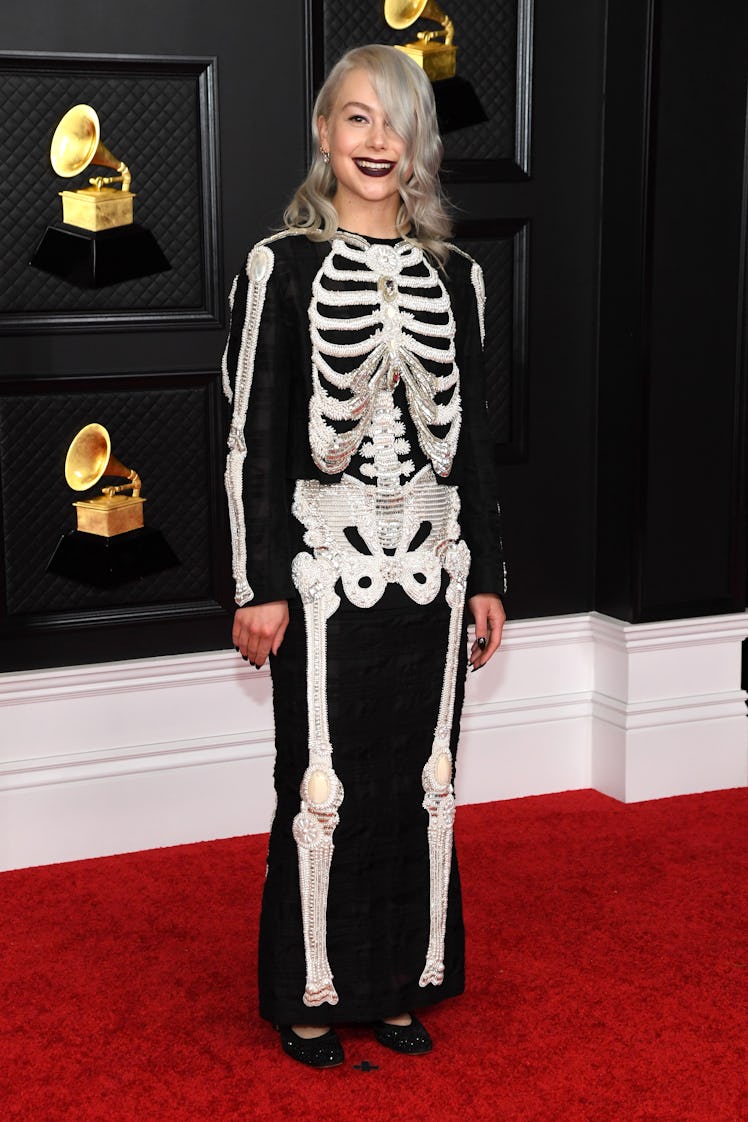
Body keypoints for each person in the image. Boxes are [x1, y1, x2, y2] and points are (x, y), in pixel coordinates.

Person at [223, 43, 506, 1068]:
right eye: (356, 118)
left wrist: (491, 577)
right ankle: (309, 993)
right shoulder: (282, 265)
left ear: (418, 142)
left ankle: (394, 981)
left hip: (433, 572)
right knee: (319, 784)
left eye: (394, 122)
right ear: (323, 134)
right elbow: (251, 435)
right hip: (318, 572)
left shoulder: (457, 276)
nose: (376, 141)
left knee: (421, 777)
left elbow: (475, 440)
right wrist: (256, 585)